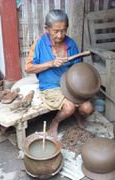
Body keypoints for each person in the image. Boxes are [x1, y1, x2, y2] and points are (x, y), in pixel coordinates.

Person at [25, 9, 93, 138]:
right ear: (47, 28)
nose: (60, 35)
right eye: (55, 31)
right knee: (69, 107)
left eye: (63, 30)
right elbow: (28, 68)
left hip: (70, 85)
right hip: (51, 86)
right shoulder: (40, 43)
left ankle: (77, 114)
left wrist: (81, 87)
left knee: (87, 109)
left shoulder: (71, 43)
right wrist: (50, 63)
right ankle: (55, 122)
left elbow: (77, 68)